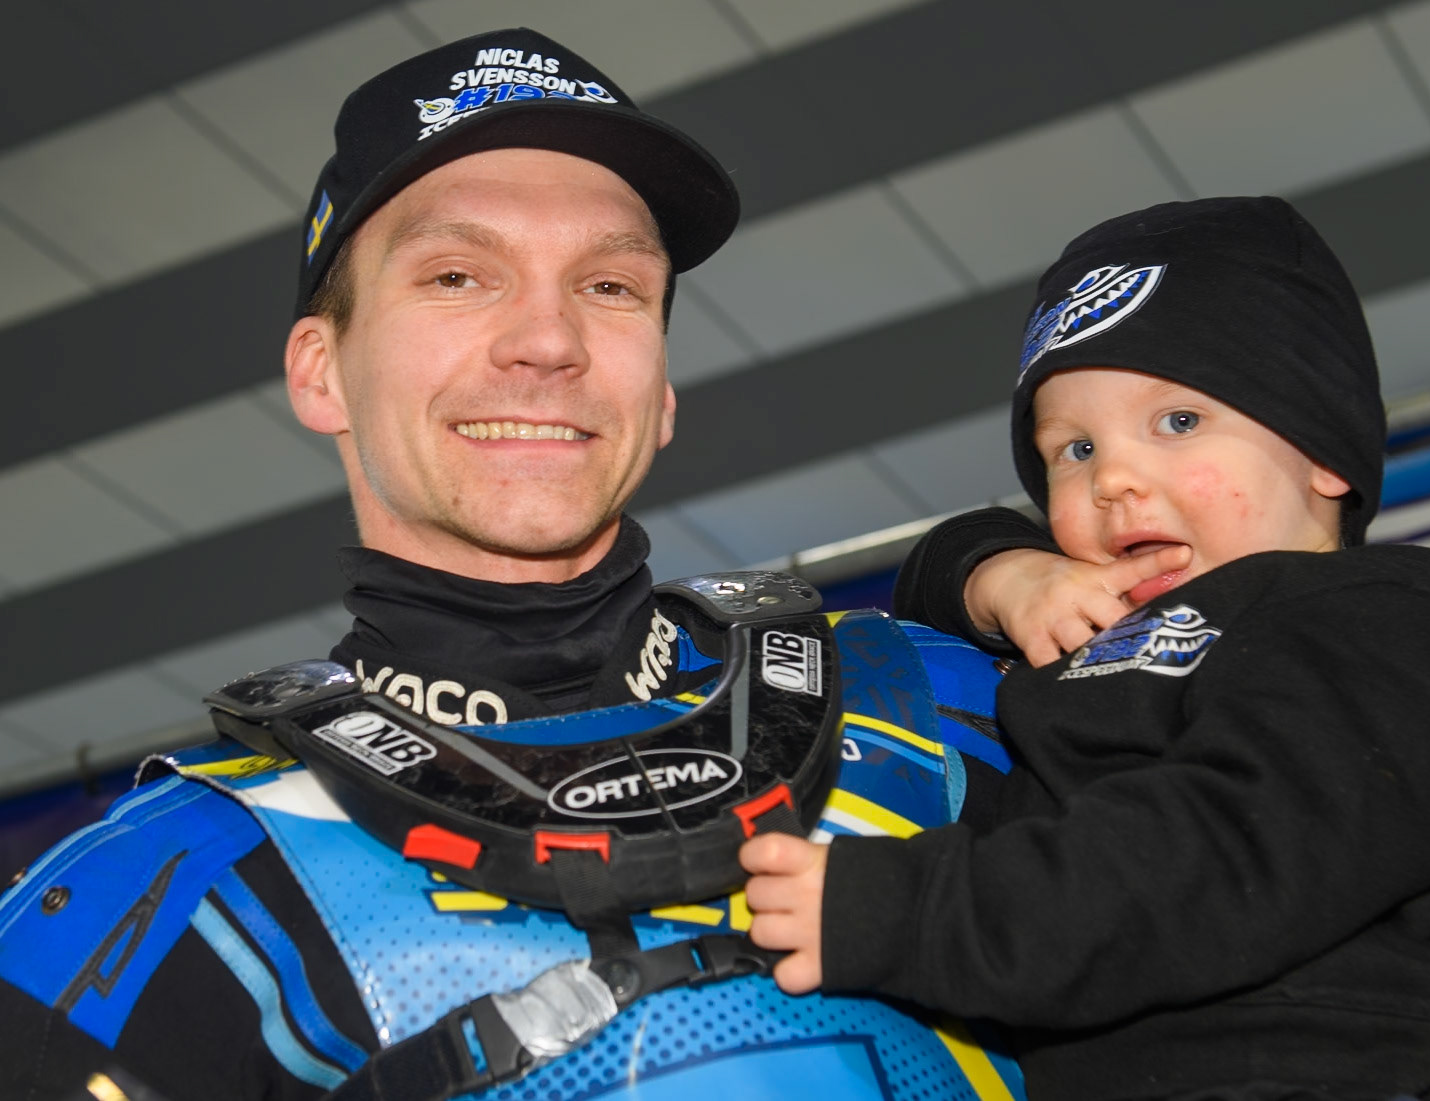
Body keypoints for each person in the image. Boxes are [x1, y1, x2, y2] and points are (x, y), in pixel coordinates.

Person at [0, 29, 1027, 1101]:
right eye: (458, 275)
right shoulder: (159, 889)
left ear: (661, 392)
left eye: (612, 288)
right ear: (321, 374)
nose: (548, 340)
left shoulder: (948, 705)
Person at [739, 196, 1430, 1100]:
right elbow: (929, 597)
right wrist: (1008, 576)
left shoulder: (1393, 625)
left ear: (1321, 452)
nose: (1114, 479)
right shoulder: (1102, 622)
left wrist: (904, 914)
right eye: (1073, 448)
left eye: (1178, 422)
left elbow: (1223, 854)